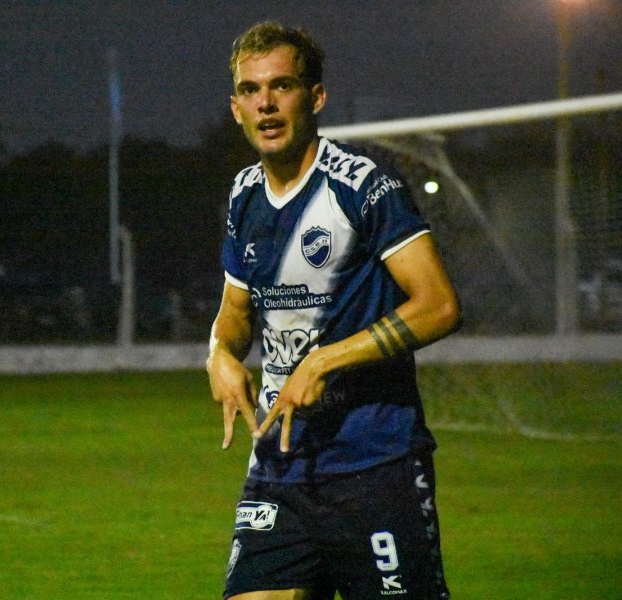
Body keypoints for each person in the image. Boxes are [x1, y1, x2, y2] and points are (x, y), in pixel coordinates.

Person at [207, 22, 461, 600]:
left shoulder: (364, 188)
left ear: (315, 97)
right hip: (279, 467)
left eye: (282, 86)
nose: (265, 104)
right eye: (250, 90)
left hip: (375, 466)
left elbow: (440, 306)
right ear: (236, 108)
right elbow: (236, 312)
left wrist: (325, 362)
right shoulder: (245, 195)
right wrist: (219, 353)